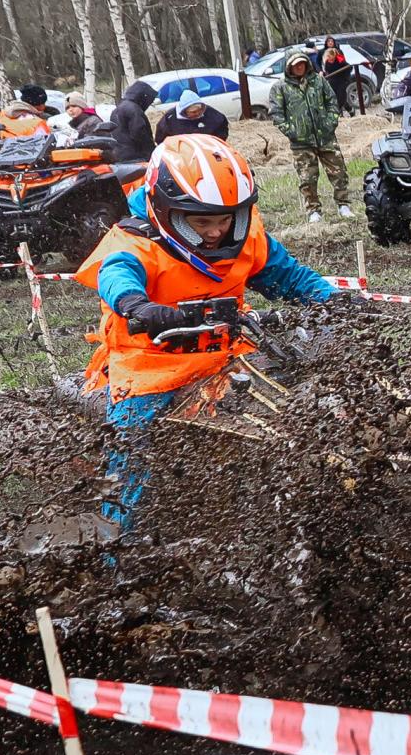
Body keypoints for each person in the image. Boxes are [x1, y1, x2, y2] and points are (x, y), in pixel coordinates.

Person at [74, 133, 339, 530]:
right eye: (200, 222)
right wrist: (138, 307)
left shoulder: (246, 235)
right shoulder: (132, 243)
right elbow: (117, 277)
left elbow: (289, 277)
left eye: (224, 220)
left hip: (230, 347)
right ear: (165, 211)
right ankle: (116, 542)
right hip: (152, 361)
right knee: (130, 440)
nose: (216, 232)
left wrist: (335, 302)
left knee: (306, 394)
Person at [269, 51, 352, 222]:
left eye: (302, 63)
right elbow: (276, 113)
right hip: (301, 142)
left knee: (339, 172)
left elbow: (332, 102)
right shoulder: (281, 87)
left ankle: (343, 204)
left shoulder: (319, 81)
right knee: (307, 177)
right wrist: (291, 131)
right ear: (289, 67)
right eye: (296, 64)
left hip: (326, 136)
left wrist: (331, 122)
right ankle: (313, 209)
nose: (300, 67)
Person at [154, 89, 229, 143]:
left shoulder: (211, 113)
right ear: (184, 111)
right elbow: (160, 138)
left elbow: (222, 127)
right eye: (193, 112)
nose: (197, 113)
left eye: (199, 110)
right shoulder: (170, 118)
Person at [111, 80, 158, 162]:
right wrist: (151, 152)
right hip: (136, 156)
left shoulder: (117, 109)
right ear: (143, 97)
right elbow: (140, 134)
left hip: (120, 154)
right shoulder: (134, 110)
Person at [320, 35, 356, 114]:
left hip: (342, 80)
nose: (330, 59)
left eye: (331, 57)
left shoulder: (339, 58)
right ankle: (349, 109)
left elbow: (349, 67)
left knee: (341, 97)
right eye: (328, 58)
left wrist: (346, 78)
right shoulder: (326, 62)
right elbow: (327, 71)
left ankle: (338, 112)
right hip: (332, 81)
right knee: (335, 97)